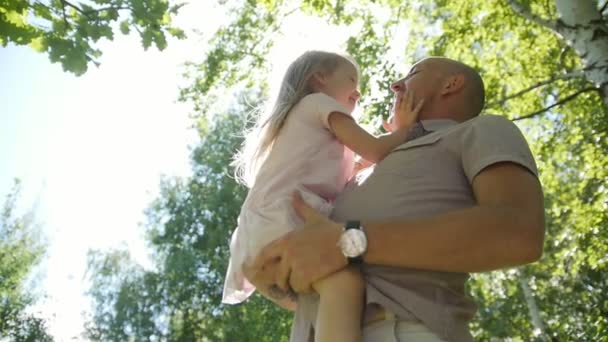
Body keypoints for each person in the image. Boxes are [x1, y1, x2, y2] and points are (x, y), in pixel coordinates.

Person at [247, 57, 546, 341]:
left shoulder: (479, 130)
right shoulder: (359, 171)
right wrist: (275, 282)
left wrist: (349, 242)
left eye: (413, 74)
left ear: (451, 84)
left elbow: (518, 232)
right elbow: (328, 269)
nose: (395, 85)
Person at [222, 50, 423, 342]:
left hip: (263, 233)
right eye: (351, 80)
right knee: (345, 283)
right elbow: (375, 150)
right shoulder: (318, 103)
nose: (358, 92)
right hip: (283, 221)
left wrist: (392, 138)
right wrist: (404, 130)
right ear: (320, 78)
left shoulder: (309, 126)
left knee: (332, 306)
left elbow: (361, 165)